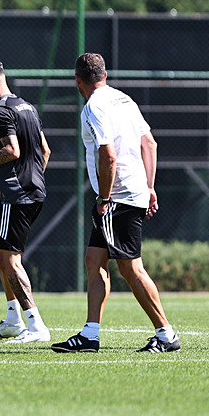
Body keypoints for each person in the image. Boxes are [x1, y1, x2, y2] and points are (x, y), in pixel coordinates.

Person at [52, 52, 180, 353]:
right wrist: (150, 187)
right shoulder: (124, 99)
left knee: (131, 268)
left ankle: (166, 334)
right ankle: (90, 334)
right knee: (94, 260)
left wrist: (105, 198)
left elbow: (108, 156)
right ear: (105, 75)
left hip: (117, 197)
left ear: (78, 80)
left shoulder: (93, 107)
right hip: (131, 191)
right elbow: (150, 143)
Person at [0, 58, 52, 343]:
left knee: (9, 259)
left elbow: (12, 150)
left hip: (15, 193)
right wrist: (34, 180)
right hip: (31, 190)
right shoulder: (27, 107)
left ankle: (35, 324)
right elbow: (45, 150)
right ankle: (13, 319)